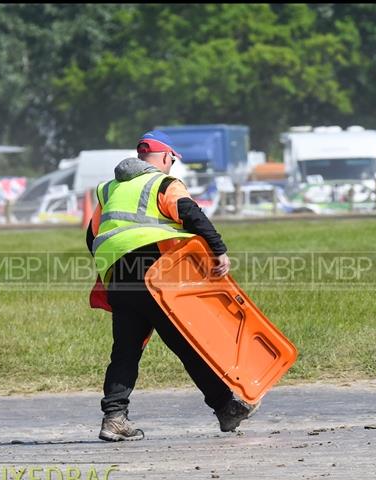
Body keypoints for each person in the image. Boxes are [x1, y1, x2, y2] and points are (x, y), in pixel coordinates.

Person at [87, 130, 259, 442]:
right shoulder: (163, 183)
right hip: (155, 274)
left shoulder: (109, 188)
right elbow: (191, 214)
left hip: (118, 274)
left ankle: (113, 417)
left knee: (125, 350)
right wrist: (219, 250)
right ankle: (225, 407)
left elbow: (92, 236)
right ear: (167, 157)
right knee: (186, 341)